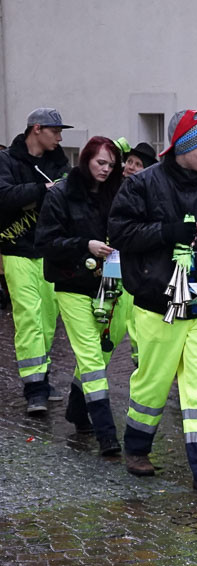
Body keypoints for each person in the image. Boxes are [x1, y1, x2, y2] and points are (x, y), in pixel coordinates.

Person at [108, 110, 197, 493]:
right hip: (156, 302)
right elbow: (121, 232)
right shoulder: (142, 184)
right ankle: (136, 449)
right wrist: (167, 232)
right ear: (184, 147)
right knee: (152, 382)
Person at [35, 136, 128, 455]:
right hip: (71, 281)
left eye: (111, 165)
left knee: (104, 348)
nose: (105, 169)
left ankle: (77, 410)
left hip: (110, 282)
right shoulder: (62, 193)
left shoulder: (115, 193)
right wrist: (84, 245)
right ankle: (107, 434)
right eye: (101, 162)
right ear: (86, 159)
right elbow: (45, 242)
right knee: (90, 355)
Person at [0, 108, 73, 413]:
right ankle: (34, 390)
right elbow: (3, 195)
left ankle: (41, 375)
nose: (59, 137)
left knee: (46, 319)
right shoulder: (8, 160)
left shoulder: (60, 163)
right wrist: (42, 190)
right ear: (36, 129)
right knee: (28, 315)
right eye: (55, 131)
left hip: (48, 251)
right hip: (16, 248)